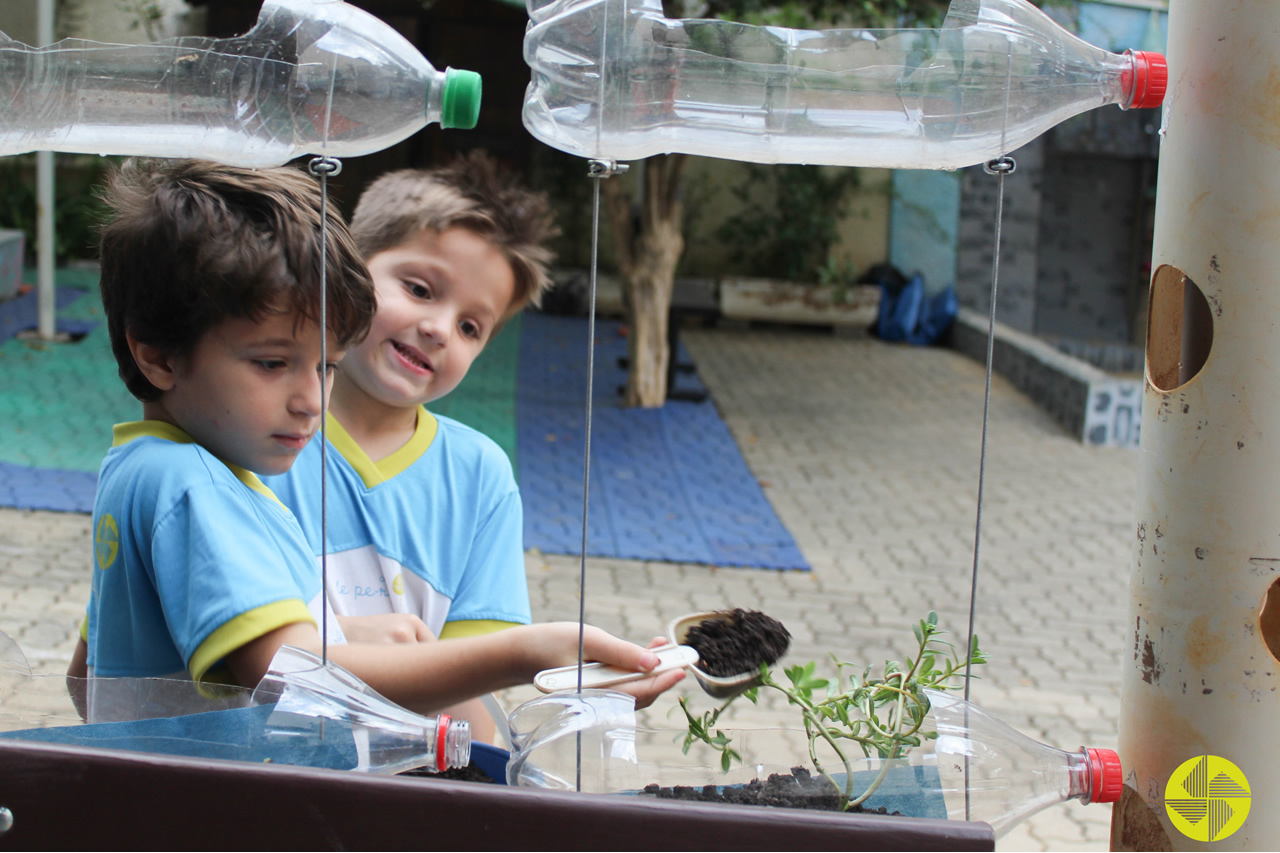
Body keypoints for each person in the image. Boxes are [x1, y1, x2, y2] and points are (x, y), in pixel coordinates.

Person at [67, 158, 682, 723]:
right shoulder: (194, 482)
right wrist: (529, 652)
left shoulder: (157, 467)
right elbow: (291, 673)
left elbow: (85, 678)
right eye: (271, 363)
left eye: (324, 367)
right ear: (158, 357)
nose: (311, 399)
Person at [263, 152, 557, 742]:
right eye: (420, 289)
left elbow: (472, 706)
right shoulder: (255, 433)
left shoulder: (480, 477)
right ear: (347, 268)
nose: (440, 328)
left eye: (472, 326)